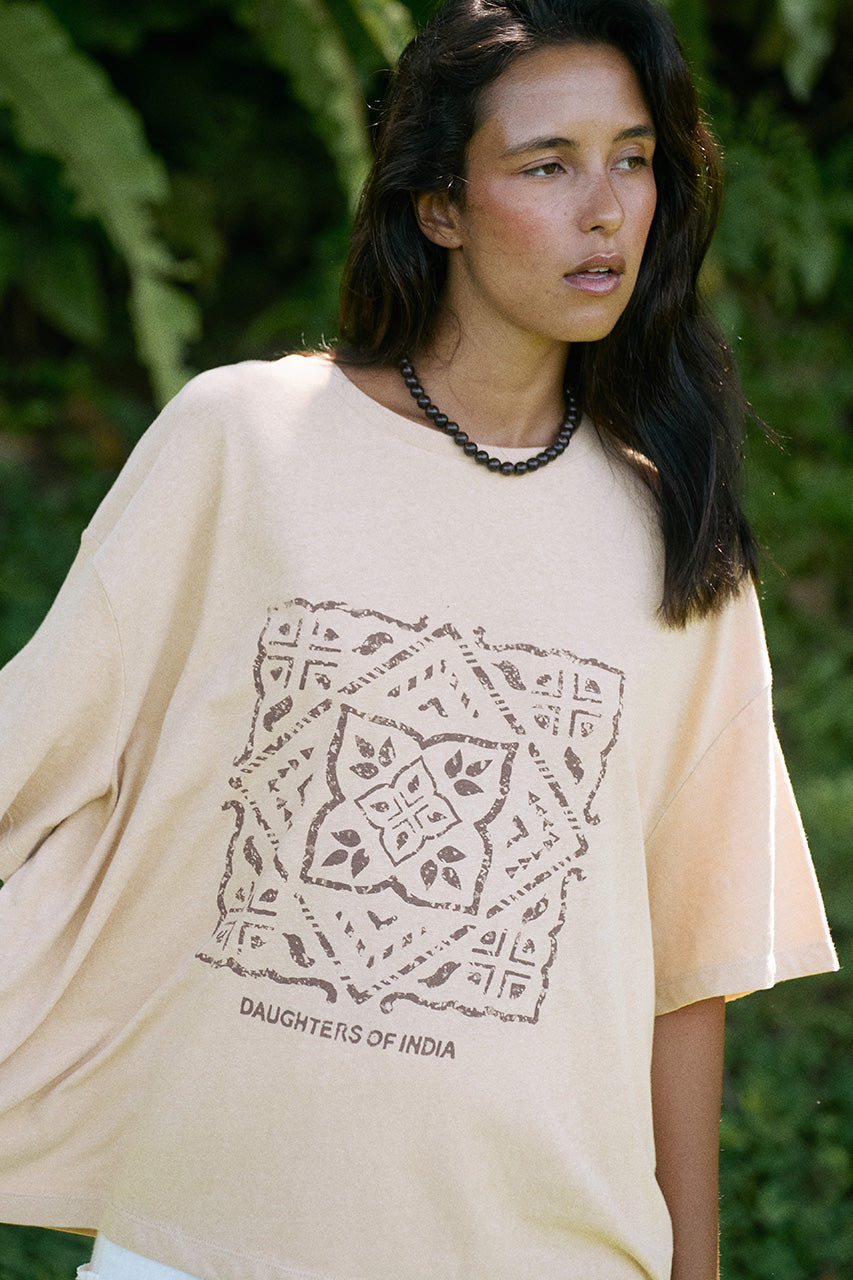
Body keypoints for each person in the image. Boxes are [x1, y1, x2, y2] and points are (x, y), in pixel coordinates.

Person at [0, 0, 838, 1277]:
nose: (605, 209)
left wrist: (695, 1262)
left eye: (632, 158)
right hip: (217, 1233)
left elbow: (687, 957)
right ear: (436, 204)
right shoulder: (243, 444)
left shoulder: (676, 538)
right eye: (546, 165)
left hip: (546, 1246)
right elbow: (33, 753)